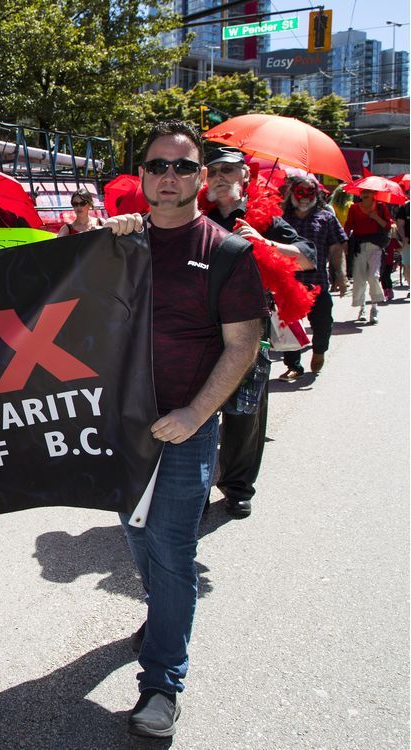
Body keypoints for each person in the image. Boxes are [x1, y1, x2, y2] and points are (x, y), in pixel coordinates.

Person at [123, 122, 267, 738]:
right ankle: (164, 615)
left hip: (186, 427)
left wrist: (195, 415)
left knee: (173, 548)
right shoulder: (119, 245)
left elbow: (243, 345)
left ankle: (161, 682)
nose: (169, 178)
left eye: (183, 168)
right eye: (158, 167)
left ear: (201, 178)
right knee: (135, 536)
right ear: (143, 177)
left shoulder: (229, 254)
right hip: (120, 428)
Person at [204, 146, 314, 519]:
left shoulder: (264, 220)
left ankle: (236, 488)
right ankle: (194, 489)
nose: (220, 177)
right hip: (199, 326)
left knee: (245, 413)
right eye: (214, 170)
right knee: (197, 410)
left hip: (249, 326)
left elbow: (306, 256)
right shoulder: (194, 216)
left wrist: (265, 242)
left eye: (229, 171)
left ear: (245, 177)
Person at [279, 176, 347, 379]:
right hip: (288, 283)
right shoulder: (281, 218)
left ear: (317, 195)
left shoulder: (326, 217)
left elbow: (336, 248)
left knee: (323, 324)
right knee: (289, 327)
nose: (305, 196)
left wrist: (341, 275)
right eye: (301, 191)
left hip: (318, 282)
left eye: (311, 192)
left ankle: (319, 352)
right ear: (292, 193)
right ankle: (294, 365)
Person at [344, 190, 392, 325]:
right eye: (363, 192)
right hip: (359, 247)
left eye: (368, 192)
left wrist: (375, 217)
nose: (365, 194)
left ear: (373, 194)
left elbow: (387, 226)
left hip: (375, 247)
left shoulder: (381, 207)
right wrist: (343, 240)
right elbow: (348, 225)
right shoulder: (354, 208)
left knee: (373, 276)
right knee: (359, 279)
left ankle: (374, 308)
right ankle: (362, 308)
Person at [329, 186, 353, 295]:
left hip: (334, 236)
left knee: (333, 260)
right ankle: (343, 280)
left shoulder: (332, 206)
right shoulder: (351, 206)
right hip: (347, 235)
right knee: (344, 260)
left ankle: (333, 284)